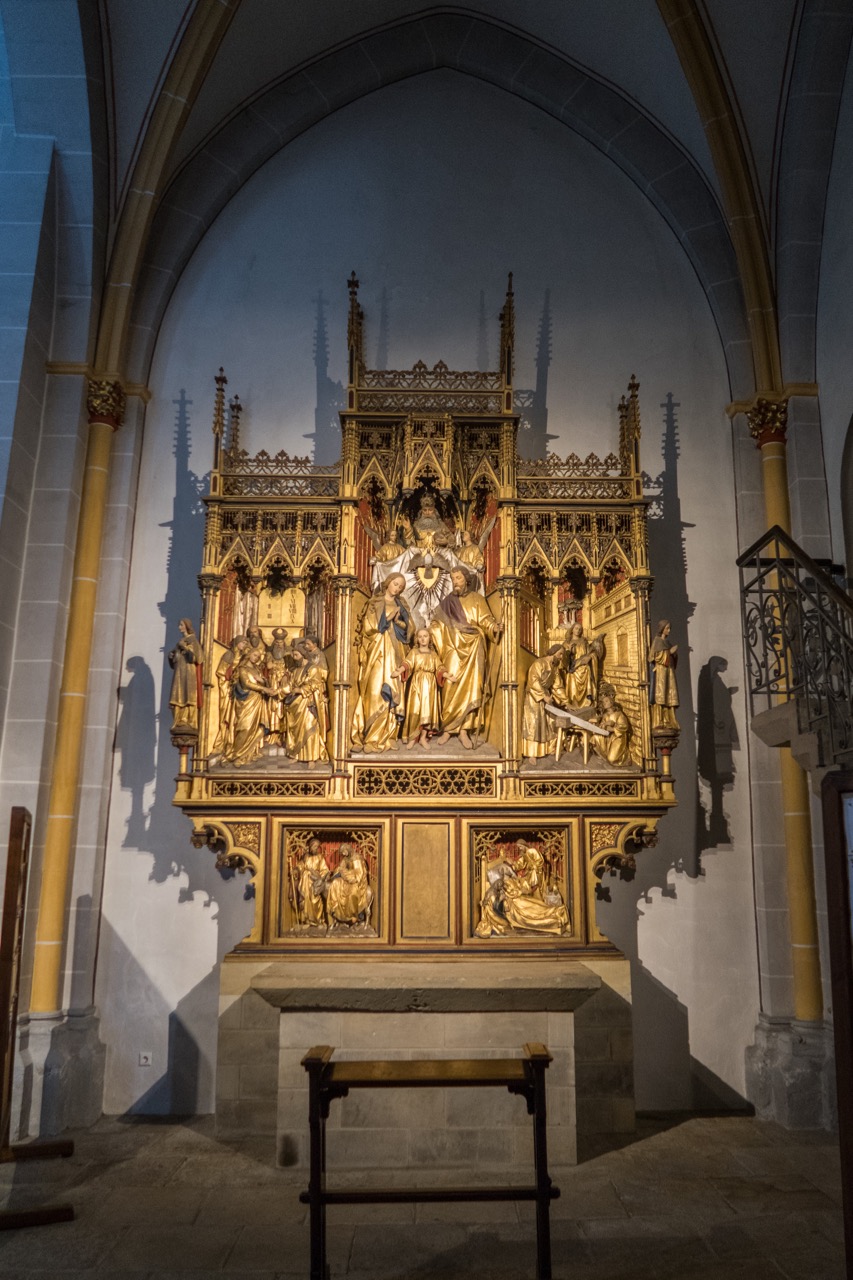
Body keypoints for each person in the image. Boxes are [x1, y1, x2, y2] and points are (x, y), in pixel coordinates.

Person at [429, 567, 501, 748]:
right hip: (452, 648)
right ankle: (448, 729)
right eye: (453, 578)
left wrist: (493, 627)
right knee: (449, 685)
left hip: (474, 647)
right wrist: (432, 632)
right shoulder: (447, 602)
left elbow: (485, 619)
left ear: (466, 580)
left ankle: (464, 731)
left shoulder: (477, 599)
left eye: (458, 578)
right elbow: (437, 623)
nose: (455, 582)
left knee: (472, 687)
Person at [351, 573, 415, 752]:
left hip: (395, 653)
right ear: (388, 583)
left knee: (394, 691)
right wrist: (387, 619)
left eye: (401, 587)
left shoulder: (402, 605)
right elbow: (369, 627)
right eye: (395, 584)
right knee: (375, 691)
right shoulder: (374, 603)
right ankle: (371, 737)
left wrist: (399, 622)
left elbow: (410, 629)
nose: (398, 588)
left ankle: (389, 735)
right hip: (377, 652)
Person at [475, 840, 569, 937]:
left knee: (536, 904)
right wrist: (512, 867)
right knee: (534, 907)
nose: (519, 849)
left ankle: (554, 912)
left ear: (524, 846)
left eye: (520, 847)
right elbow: (519, 865)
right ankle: (555, 913)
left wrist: (520, 879)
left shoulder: (531, 851)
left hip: (534, 876)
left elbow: (539, 862)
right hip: (517, 899)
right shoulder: (500, 886)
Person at [396, 628, 449, 748]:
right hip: (417, 685)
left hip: (430, 686)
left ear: (430, 638)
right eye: (420, 636)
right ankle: (412, 737)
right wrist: (400, 670)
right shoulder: (414, 652)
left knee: (427, 711)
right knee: (415, 709)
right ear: (417, 639)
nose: (423, 639)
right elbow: (407, 663)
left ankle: (423, 738)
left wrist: (447, 675)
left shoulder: (433, 654)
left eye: (425, 636)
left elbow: (439, 667)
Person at [225, 646, 274, 766]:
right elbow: (246, 683)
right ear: (249, 654)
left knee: (256, 728)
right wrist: (264, 688)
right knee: (245, 727)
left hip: (257, 700)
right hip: (246, 701)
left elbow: (263, 680)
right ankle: (237, 755)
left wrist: (264, 682)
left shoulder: (257, 669)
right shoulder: (243, 668)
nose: (256, 658)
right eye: (254, 655)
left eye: (258, 656)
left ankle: (248, 753)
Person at [284, 638, 330, 763]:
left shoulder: (313, 668)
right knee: (296, 731)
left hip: (308, 703)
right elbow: (289, 685)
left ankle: (311, 757)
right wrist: (278, 691)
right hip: (295, 704)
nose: (294, 657)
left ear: (303, 654)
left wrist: (300, 690)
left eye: (296, 654)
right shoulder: (296, 671)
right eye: (293, 655)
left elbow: (315, 683)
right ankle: (296, 754)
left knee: (309, 728)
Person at [521, 644, 566, 758]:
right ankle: (532, 754)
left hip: (546, 696)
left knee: (549, 723)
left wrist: (566, 701)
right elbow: (533, 681)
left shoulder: (554, 667)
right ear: (554, 652)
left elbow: (557, 686)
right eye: (560, 654)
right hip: (534, 697)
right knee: (535, 725)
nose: (561, 657)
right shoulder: (539, 663)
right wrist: (543, 695)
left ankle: (548, 748)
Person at [211, 634, 245, 756]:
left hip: (237, 688)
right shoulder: (229, 655)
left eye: (245, 643)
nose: (244, 645)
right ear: (237, 643)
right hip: (227, 687)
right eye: (243, 643)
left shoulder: (242, 656)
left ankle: (234, 742)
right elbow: (220, 671)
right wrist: (229, 679)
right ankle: (222, 742)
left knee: (235, 716)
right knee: (225, 713)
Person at [168, 618, 203, 732]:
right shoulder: (181, 641)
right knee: (178, 694)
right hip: (179, 672)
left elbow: (197, 658)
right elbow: (175, 660)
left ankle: (188, 719)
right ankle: (178, 720)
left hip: (189, 672)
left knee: (188, 694)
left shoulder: (192, 640)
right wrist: (172, 656)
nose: (179, 627)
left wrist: (184, 647)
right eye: (179, 625)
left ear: (187, 626)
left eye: (181, 625)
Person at [327, 843, 373, 928]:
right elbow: (340, 868)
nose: (343, 854)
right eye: (342, 853)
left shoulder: (356, 858)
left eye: (344, 851)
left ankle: (355, 917)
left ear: (348, 849)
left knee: (352, 894)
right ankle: (336, 912)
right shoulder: (346, 859)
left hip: (357, 882)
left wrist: (349, 876)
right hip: (347, 879)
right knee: (335, 884)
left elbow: (359, 874)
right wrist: (338, 874)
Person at [649, 620, 680, 730]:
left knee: (669, 694)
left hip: (669, 670)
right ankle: (660, 719)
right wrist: (669, 653)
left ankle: (670, 720)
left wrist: (674, 654)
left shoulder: (667, 642)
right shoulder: (657, 641)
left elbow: (672, 657)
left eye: (669, 628)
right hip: (661, 671)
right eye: (667, 628)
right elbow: (654, 657)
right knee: (662, 694)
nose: (669, 630)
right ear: (662, 628)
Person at [564, 622, 602, 708]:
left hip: (584, 669)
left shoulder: (584, 641)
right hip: (573, 670)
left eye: (580, 629)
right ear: (572, 629)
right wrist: (568, 651)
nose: (578, 630)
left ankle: (586, 705)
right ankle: (573, 705)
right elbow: (563, 658)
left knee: (586, 690)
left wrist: (590, 657)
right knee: (573, 690)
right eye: (576, 628)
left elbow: (590, 653)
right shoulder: (567, 642)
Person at [294, 838, 330, 928]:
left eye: (317, 847)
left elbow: (325, 870)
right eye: (314, 846)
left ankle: (318, 920)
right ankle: (306, 921)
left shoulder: (320, 857)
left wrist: (321, 876)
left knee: (316, 901)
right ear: (310, 847)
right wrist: (296, 870)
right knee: (305, 901)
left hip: (316, 882)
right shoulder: (305, 857)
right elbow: (300, 866)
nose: (316, 848)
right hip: (305, 882)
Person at [591, 691, 631, 765]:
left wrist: (612, 729)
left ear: (611, 702)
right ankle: (604, 755)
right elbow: (602, 725)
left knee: (612, 759)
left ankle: (625, 756)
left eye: (606, 701)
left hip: (617, 738)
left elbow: (624, 726)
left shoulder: (619, 714)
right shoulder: (605, 715)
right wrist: (602, 725)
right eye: (603, 702)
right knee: (595, 738)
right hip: (608, 737)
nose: (604, 703)